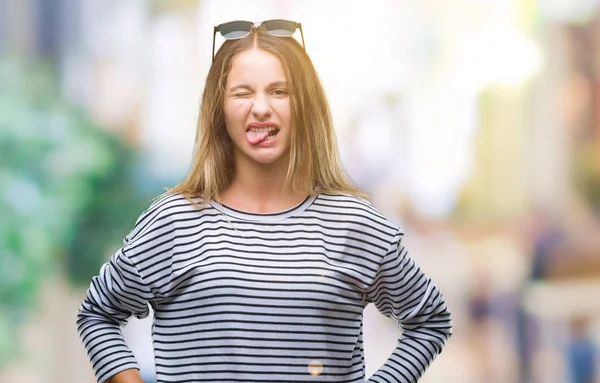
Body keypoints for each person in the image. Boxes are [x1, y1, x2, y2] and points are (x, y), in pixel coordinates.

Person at [76, 19, 452, 383]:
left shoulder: (353, 222)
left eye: (279, 91)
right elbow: (97, 313)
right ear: (219, 107)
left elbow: (430, 320)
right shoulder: (173, 221)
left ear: (304, 105)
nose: (261, 107)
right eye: (242, 92)